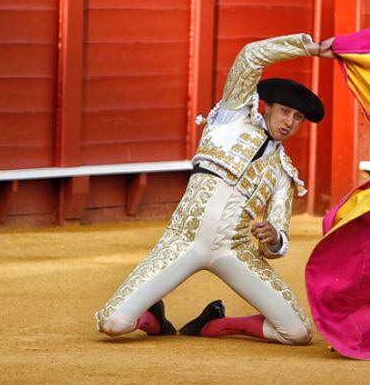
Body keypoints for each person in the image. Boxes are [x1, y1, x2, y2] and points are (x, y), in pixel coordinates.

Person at [95, 33, 334, 345]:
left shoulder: (283, 173)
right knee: (113, 323)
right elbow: (250, 56)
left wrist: (274, 238)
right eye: (285, 111)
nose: (289, 121)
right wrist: (309, 48)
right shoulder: (232, 117)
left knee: (298, 333)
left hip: (234, 252)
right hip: (183, 240)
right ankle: (151, 318)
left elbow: (274, 242)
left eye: (298, 117)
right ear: (267, 107)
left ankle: (218, 325)